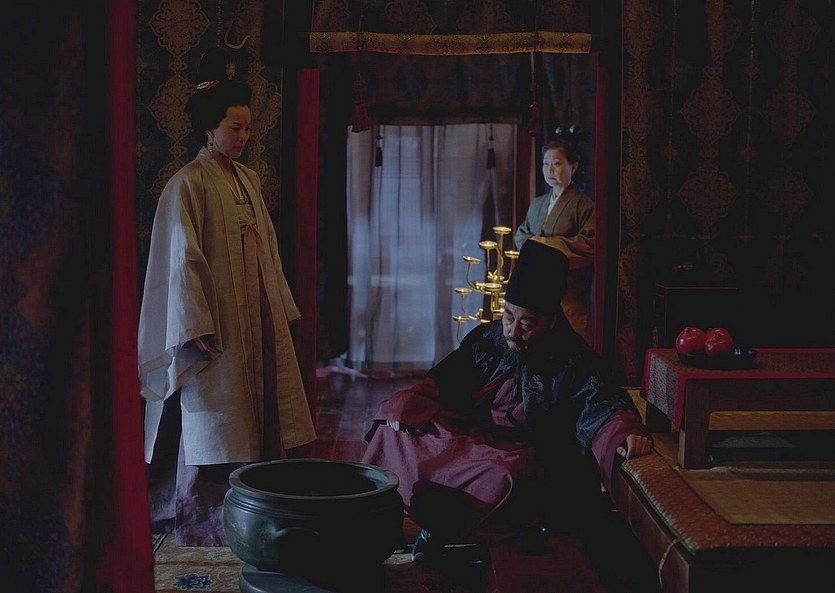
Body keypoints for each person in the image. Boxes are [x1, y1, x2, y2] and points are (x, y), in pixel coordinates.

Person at [361, 240, 651, 563]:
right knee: (397, 432)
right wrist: (411, 403)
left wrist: (623, 434)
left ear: (551, 320)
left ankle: (451, 531)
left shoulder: (574, 360)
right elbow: (445, 380)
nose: (513, 332)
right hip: (472, 439)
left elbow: (601, 406)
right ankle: (431, 525)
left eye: (526, 323)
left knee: (505, 476)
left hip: (524, 452)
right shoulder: (489, 339)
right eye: (508, 316)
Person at [138, 48, 316, 546]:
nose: (243, 137)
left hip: (255, 316)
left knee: (260, 410)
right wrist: (196, 324)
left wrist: (278, 310)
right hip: (215, 323)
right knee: (216, 418)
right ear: (210, 129)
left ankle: (261, 512)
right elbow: (181, 260)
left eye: (247, 128)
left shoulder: (249, 181)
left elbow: (268, 250)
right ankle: (207, 522)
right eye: (234, 128)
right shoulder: (187, 184)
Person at [515, 132, 595, 344]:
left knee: (573, 345)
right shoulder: (538, 203)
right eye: (545, 163)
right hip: (537, 289)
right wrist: (535, 245)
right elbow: (521, 235)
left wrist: (544, 244)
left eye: (557, 163)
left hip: (569, 292)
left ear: (573, 167)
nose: (549, 169)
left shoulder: (583, 204)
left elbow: (589, 244)